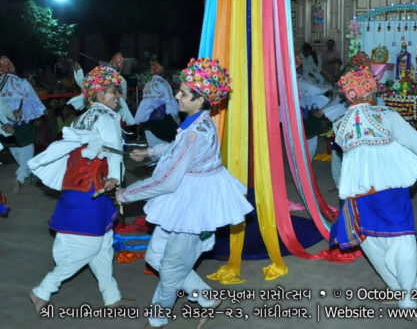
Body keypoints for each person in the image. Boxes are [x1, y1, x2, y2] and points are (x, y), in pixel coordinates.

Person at [116, 58, 254, 329]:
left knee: (169, 272)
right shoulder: (195, 122)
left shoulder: (196, 132)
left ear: (200, 100)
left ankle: (156, 321)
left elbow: (167, 181)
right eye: (179, 91)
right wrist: (151, 151)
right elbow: (179, 148)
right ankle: (207, 299)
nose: (177, 96)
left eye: (183, 93)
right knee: (156, 258)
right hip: (182, 201)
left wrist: (126, 194)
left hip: (191, 206)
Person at [329, 67, 417, 312]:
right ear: (371, 93)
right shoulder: (386, 116)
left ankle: (396, 288)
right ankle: (407, 297)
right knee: (403, 239)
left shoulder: (340, 125)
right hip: (390, 188)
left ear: (349, 95)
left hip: (359, 193)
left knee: (370, 239)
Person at [27, 65, 132, 312]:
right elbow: (115, 153)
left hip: (81, 189)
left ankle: (111, 297)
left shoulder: (84, 116)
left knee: (104, 245)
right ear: (96, 94)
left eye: (117, 90)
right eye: (111, 91)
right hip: (92, 192)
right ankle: (42, 290)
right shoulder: (105, 117)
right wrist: (115, 179)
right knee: (88, 247)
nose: (117, 95)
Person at [0, 55, 46, 193]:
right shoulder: (22, 82)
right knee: (27, 152)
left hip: (3, 126)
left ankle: (32, 175)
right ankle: (20, 179)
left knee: (18, 153)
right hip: (20, 123)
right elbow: (34, 103)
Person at [134, 61, 180, 149]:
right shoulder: (164, 84)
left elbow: (144, 105)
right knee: (168, 151)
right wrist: (177, 122)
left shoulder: (147, 85)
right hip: (162, 124)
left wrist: (139, 121)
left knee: (154, 154)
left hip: (148, 125)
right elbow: (171, 106)